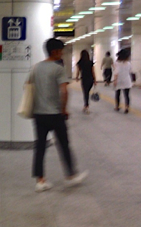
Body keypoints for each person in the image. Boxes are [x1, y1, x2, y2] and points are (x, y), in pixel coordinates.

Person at [30, 38, 89, 192]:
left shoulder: (36, 67)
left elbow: (30, 87)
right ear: (55, 51)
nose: (62, 53)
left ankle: (40, 181)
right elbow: (64, 91)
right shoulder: (58, 69)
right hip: (55, 114)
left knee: (40, 146)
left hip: (39, 114)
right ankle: (71, 176)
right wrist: (63, 110)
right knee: (63, 145)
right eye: (61, 51)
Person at [74, 49, 96, 114]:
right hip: (90, 79)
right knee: (87, 92)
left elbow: (78, 71)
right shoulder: (90, 62)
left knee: (85, 93)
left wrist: (76, 77)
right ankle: (86, 105)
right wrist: (95, 80)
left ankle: (86, 106)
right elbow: (93, 72)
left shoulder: (80, 63)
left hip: (84, 79)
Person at [113, 48, 132, 114]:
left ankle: (117, 106)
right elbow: (130, 71)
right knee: (126, 95)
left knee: (117, 94)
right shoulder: (129, 63)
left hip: (119, 80)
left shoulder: (117, 63)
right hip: (127, 80)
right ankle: (127, 107)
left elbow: (116, 72)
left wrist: (115, 80)